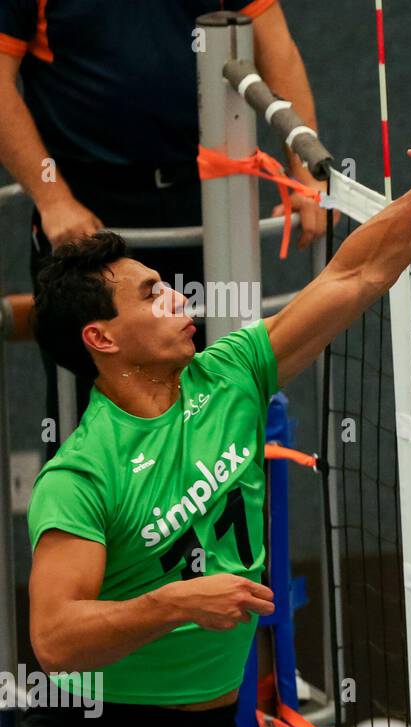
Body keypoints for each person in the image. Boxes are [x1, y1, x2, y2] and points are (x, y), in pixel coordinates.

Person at [0, 52, 411, 727]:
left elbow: (362, 270)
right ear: (100, 340)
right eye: (149, 294)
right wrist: (175, 602)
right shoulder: (83, 471)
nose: (177, 294)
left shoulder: (231, 374)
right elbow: (57, 639)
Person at [0, 0, 328, 447]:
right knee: (90, 416)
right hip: (87, 217)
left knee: (221, 401)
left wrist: (304, 171)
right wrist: (53, 198)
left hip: (208, 202)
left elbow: (277, 47)